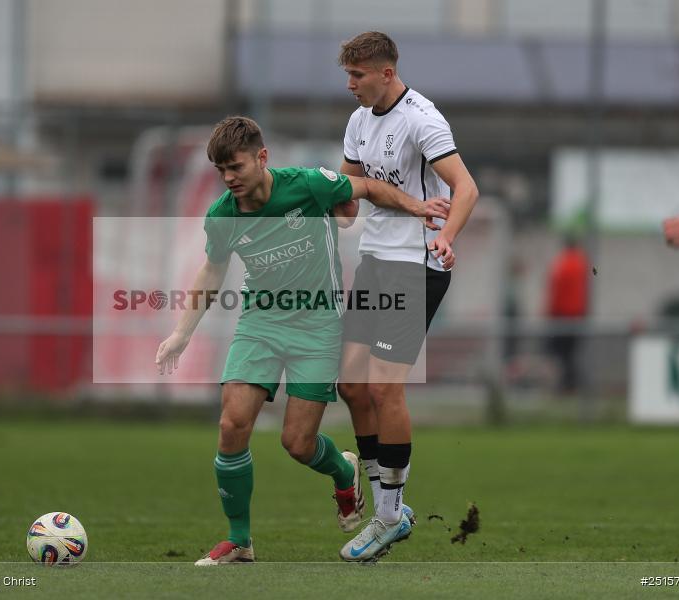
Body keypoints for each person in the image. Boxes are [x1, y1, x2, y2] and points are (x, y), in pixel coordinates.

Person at [154, 116, 449, 565]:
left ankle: (343, 469)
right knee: (232, 425)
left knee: (297, 443)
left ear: (262, 158)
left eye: (236, 167)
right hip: (259, 324)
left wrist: (416, 206)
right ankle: (240, 540)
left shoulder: (310, 185)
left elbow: (366, 187)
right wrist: (181, 333)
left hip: (318, 328)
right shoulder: (222, 216)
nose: (229, 178)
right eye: (221, 171)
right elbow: (211, 270)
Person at [332, 32, 479, 562]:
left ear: (386, 73)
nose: (350, 85)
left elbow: (466, 188)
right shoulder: (358, 120)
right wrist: (326, 211)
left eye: (358, 76)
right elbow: (348, 190)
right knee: (351, 384)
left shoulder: (423, 119)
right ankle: (389, 506)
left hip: (416, 265)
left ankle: (389, 516)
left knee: (385, 390)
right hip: (376, 261)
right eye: (347, 75)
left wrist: (447, 236)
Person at [545, 235, 589, 393]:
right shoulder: (581, 263)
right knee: (571, 353)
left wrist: (549, 312)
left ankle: (569, 384)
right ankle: (571, 383)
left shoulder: (562, 264)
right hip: (578, 314)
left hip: (562, 314)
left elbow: (556, 290)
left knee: (563, 354)